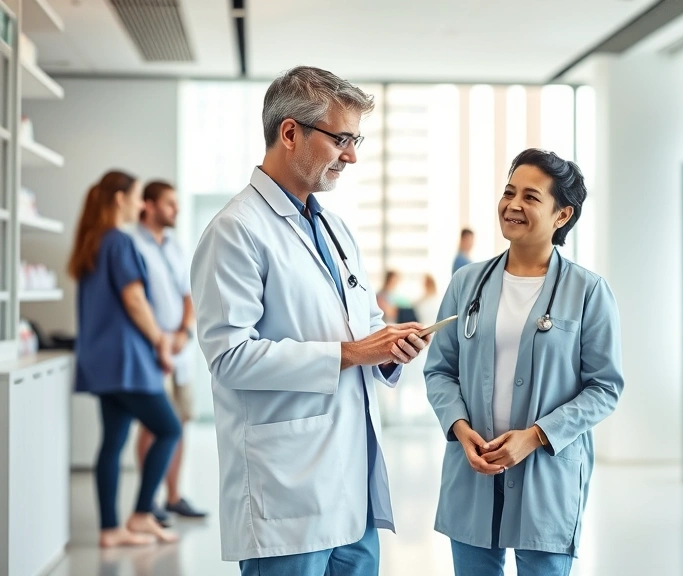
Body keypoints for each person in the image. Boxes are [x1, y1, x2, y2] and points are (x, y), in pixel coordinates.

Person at [190, 66, 430, 576]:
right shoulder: (236, 231)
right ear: (290, 132)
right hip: (287, 496)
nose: (352, 155)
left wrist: (390, 346)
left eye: (356, 139)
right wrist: (352, 353)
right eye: (341, 138)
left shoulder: (336, 228)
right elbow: (230, 358)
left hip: (353, 490)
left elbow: (364, 321)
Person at [424, 149, 624, 576]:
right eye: (508, 192)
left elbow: (605, 388)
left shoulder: (588, 291)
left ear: (562, 214)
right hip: (472, 467)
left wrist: (534, 436)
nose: (513, 205)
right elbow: (440, 369)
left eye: (531, 197)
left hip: (546, 475)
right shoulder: (467, 283)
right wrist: (461, 431)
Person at [68, 170, 181, 547]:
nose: (139, 204)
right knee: (170, 429)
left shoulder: (93, 243)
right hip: (128, 361)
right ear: (119, 199)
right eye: (135, 196)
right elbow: (134, 300)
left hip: (101, 362)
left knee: (113, 442)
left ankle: (110, 529)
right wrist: (161, 342)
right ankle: (141, 515)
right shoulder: (118, 241)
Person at [131, 181, 206, 522]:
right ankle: (149, 502)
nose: (175, 210)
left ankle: (174, 496)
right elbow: (133, 300)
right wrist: (160, 338)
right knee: (153, 424)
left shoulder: (175, 245)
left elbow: (187, 294)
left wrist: (184, 331)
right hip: (149, 350)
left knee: (180, 421)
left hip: (180, 349)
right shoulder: (131, 243)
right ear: (148, 205)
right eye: (169, 204)